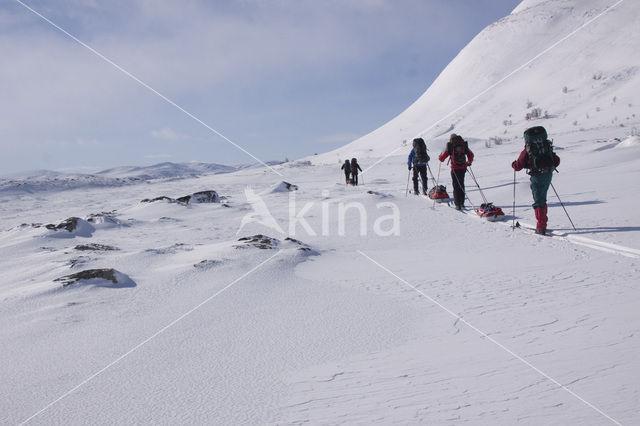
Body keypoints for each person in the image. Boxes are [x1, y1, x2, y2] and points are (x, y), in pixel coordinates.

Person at [512, 126, 560, 235]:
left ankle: (541, 226)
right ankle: (542, 223)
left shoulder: (528, 148)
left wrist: (513, 165)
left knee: (539, 201)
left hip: (537, 175)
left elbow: (518, 166)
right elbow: (556, 160)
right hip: (548, 174)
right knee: (542, 198)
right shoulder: (546, 145)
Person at [438, 134, 474, 210]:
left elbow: (442, 158)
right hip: (463, 167)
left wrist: (440, 157)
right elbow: (471, 154)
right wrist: (469, 162)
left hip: (455, 168)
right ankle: (462, 203)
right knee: (461, 184)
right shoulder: (463, 144)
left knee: (456, 186)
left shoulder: (450, 145)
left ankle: (457, 204)